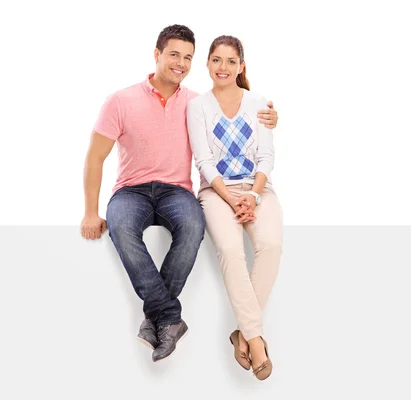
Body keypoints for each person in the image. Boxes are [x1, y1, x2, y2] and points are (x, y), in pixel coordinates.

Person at [80, 25, 279, 363]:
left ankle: (156, 319)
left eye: (188, 57)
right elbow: (95, 157)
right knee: (122, 228)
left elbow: (236, 109)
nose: (181, 63)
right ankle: (168, 316)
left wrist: (270, 117)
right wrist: (90, 211)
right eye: (174, 54)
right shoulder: (120, 100)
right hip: (131, 191)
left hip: (177, 191)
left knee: (193, 228)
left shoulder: (196, 103)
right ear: (157, 55)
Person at [187, 35, 283, 380]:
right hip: (217, 193)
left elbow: (266, 156)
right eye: (216, 60)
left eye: (230, 61)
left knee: (270, 245)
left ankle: (241, 332)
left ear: (241, 66)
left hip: (258, 189)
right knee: (230, 249)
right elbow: (205, 161)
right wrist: (232, 200)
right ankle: (255, 339)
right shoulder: (198, 106)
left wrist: (253, 197)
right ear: (208, 64)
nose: (223, 67)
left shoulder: (259, 103)